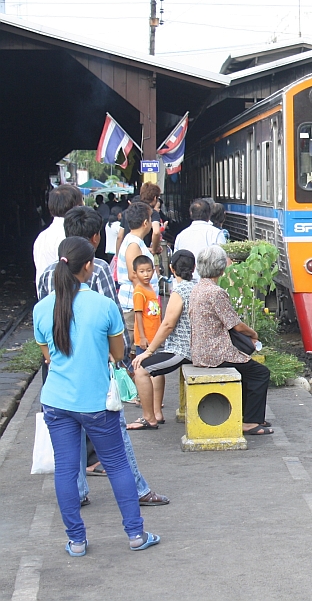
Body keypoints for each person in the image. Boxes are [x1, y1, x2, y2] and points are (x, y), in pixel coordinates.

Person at [34, 236, 161, 556]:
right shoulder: (104, 306)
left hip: (57, 401)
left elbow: (48, 357)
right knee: (117, 465)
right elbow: (118, 353)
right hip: (97, 402)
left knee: (66, 469)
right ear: (89, 267)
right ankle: (135, 534)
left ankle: (76, 540)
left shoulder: (42, 308)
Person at [190, 246, 273, 435]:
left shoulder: (197, 289)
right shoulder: (216, 292)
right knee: (260, 373)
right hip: (216, 353)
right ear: (221, 269)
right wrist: (253, 334)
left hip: (200, 351)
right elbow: (236, 325)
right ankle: (250, 421)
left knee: (246, 372)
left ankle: (246, 415)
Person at [130, 250, 196, 429]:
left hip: (182, 350)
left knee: (141, 369)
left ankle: (148, 418)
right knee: (155, 369)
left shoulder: (180, 290)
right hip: (195, 348)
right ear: (194, 268)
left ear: (171, 269)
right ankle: (156, 413)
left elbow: (167, 325)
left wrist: (149, 351)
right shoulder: (197, 286)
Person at [117, 203, 157, 347]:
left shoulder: (134, 241)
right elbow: (134, 277)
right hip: (134, 306)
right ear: (146, 222)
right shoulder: (133, 244)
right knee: (134, 348)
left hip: (137, 305)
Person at [33, 184, 83, 290]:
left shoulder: (42, 237)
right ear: (76, 207)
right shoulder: (68, 237)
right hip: (65, 299)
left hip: (46, 297)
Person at [132, 255, 161, 357]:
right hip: (145, 340)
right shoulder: (139, 291)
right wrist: (142, 337)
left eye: (148, 271)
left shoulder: (150, 287)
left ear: (153, 271)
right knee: (143, 368)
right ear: (135, 273)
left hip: (153, 337)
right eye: (142, 271)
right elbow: (138, 315)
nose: (146, 274)